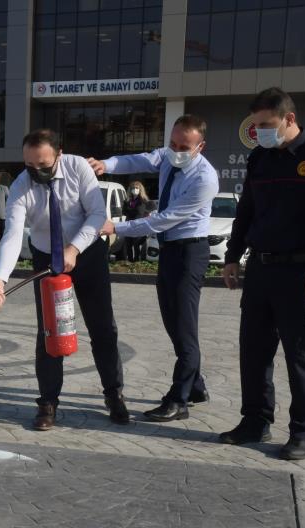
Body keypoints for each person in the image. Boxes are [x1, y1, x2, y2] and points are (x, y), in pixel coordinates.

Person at [220, 87, 305, 461]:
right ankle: (254, 421)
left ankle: (304, 432)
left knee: (304, 354)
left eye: (266, 124)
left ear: (289, 119)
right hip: (261, 269)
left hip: (303, 272)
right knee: (254, 351)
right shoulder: (259, 159)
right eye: (256, 126)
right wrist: (232, 256)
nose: (259, 132)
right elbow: (246, 211)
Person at [0, 128, 129, 429]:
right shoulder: (22, 185)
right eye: (30, 166)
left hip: (87, 252)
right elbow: (12, 235)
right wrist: (0, 281)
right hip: (46, 257)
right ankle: (48, 402)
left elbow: (96, 215)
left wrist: (73, 249)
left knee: (102, 327)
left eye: (44, 166)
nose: (36, 172)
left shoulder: (78, 169)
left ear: (59, 154)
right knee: (49, 331)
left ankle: (114, 394)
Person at [88, 114, 219, 423]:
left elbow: (165, 218)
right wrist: (106, 165)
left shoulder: (205, 178)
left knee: (185, 328)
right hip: (170, 251)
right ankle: (195, 386)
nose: (175, 150)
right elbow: (138, 160)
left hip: (190, 252)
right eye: (172, 143)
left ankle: (179, 400)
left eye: (184, 146)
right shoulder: (167, 156)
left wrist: (117, 228)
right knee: (172, 323)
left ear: (200, 146)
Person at [122, 181, 149, 261]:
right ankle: (130, 261)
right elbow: (124, 212)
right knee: (128, 244)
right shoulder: (127, 201)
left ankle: (136, 261)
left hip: (138, 225)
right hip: (128, 225)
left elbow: (140, 213)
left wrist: (130, 211)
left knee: (136, 244)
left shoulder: (143, 201)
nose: (134, 189)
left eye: (136, 188)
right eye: (133, 188)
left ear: (140, 189)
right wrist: (131, 211)